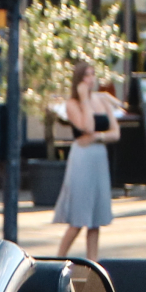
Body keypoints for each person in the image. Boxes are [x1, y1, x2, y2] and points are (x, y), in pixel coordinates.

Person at [53, 58, 120, 257]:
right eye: (86, 76)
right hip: (81, 158)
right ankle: (59, 258)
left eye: (92, 75)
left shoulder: (103, 100)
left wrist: (98, 137)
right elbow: (87, 126)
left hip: (98, 156)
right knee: (79, 218)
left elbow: (115, 133)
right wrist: (84, 100)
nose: (91, 79)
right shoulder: (72, 104)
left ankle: (93, 262)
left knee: (95, 219)